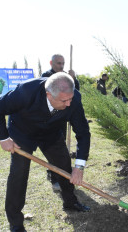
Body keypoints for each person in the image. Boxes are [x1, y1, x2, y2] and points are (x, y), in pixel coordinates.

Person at [0, 72, 91, 232]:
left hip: (51, 133)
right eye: (64, 101)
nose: (69, 104)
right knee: (19, 173)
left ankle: (70, 201)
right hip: (22, 132)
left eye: (70, 98)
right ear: (48, 94)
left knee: (64, 165)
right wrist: (3, 138)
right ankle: (15, 222)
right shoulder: (26, 91)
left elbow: (83, 133)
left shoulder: (74, 99)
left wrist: (79, 166)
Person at [42, 54, 80, 192]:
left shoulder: (66, 76)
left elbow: (75, 92)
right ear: (51, 62)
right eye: (58, 63)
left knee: (60, 149)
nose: (61, 66)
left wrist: (73, 79)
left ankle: (55, 174)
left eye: (63, 63)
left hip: (62, 119)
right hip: (48, 121)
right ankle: (54, 178)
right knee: (54, 151)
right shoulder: (46, 76)